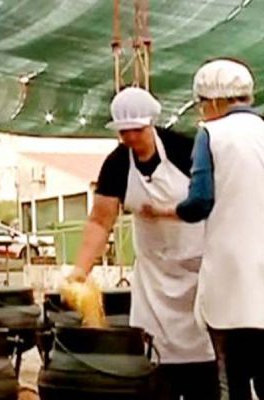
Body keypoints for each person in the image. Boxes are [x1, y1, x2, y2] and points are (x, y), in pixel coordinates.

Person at [69, 87, 218, 399]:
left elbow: (210, 202)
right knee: (155, 363)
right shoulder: (117, 164)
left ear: (151, 122)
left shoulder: (185, 150)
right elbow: (100, 220)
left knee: (203, 365)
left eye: (136, 130)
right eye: (124, 132)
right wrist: (80, 270)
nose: (131, 138)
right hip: (154, 279)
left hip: (198, 272)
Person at [141, 59, 264, 400]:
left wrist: (165, 211)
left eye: (201, 104)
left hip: (230, 281)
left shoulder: (211, 135)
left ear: (213, 101)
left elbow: (199, 202)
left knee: (232, 379)